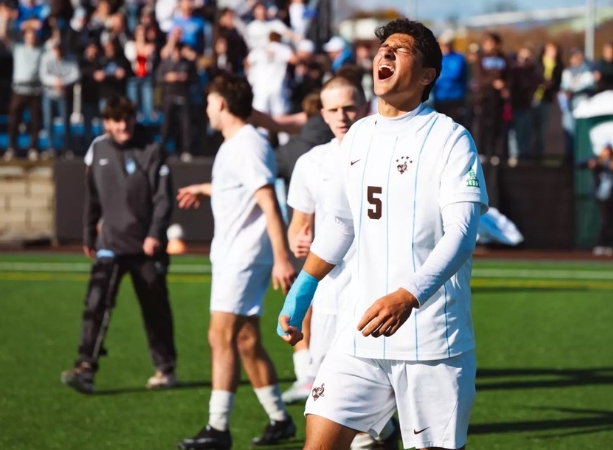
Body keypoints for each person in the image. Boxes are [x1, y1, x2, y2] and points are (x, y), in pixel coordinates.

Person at [277, 18, 488, 450]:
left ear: (427, 75)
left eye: (401, 49)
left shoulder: (451, 139)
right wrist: (303, 288)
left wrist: (408, 295)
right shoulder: (358, 135)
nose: (385, 54)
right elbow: (341, 223)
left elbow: (463, 233)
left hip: (432, 342)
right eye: (383, 48)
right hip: (361, 333)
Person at [176, 74, 297, 449]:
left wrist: (282, 258)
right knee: (245, 340)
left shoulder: (246, 143)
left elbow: (268, 201)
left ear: (222, 104)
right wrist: (204, 189)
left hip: (243, 257)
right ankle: (280, 419)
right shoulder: (238, 144)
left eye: (209, 102)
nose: (207, 109)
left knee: (220, 336)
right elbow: (241, 188)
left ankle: (217, 428)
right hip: (235, 254)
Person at [281, 75, 401, 450]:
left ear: (365, 106)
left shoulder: (391, 153)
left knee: (369, 407)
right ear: (322, 113)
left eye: (349, 107)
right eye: (333, 109)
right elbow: (299, 225)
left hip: (377, 293)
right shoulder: (311, 162)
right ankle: (384, 434)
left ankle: (382, 433)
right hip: (330, 296)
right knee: (330, 399)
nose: (342, 116)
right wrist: (298, 241)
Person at [61, 97, 177, 394]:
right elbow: (92, 197)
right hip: (110, 243)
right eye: (116, 120)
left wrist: (155, 234)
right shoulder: (98, 149)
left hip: (146, 247)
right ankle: (85, 367)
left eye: (127, 119)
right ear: (107, 123)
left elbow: (163, 199)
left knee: (155, 309)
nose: (123, 126)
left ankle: (165, 368)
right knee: (96, 303)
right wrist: (89, 233)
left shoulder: (152, 149)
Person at [1, 21, 44, 160]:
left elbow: (56, 41)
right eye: (28, 36)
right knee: (14, 120)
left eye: (33, 36)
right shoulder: (18, 49)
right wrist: (5, 19)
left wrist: (47, 24)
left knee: (35, 121)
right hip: (19, 90)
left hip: (35, 90)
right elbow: (3, 36)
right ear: (24, 37)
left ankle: (33, 148)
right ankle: (12, 147)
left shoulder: (41, 50)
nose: (31, 38)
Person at [39, 39, 80, 156]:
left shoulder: (70, 59)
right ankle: (50, 147)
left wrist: (63, 82)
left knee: (66, 122)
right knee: (48, 121)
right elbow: (43, 76)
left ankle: (67, 147)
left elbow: (76, 74)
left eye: (60, 49)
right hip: (49, 94)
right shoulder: (46, 58)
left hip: (64, 94)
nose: (58, 52)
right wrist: (55, 82)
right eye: (56, 49)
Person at [473, 32, 508, 163]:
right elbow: (479, 78)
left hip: (498, 99)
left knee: (496, 126)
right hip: (484, 97)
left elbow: (509, 76)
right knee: (483, 125)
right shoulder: (481, 58)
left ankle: (494, 153)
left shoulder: (503, 58)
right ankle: (481, 152)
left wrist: (505, 87)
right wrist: (493, 82)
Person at [157, 42, 195, 161]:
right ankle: (162, 148)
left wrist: (184, 77)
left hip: (183, 95)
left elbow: (193, 77)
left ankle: (186, 150)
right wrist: (167, 77)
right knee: (167, 123)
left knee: (185, 124)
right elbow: (158, 77)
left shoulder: (187, 64)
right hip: (169, 96)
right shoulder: (165, 63)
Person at [584, 144, 613, 256]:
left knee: (610, 222)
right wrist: (595, 163)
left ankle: (607, 245)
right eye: (605, 151)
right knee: (605, 221)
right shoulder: (599, 165)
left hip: (612, 198)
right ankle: (601, 244)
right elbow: (583, 163)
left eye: (609, 152)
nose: (607, 154)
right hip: (601, 198)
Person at [532, 42, 563, 159]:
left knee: (542, 129)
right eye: (550, 50)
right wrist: (541, 82)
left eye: (555, 50)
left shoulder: (559, 66)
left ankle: (539, 155)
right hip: (534, 98)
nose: (553, 52)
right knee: (532, 127)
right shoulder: (537, 63)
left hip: (547, 99)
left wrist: (552, 85)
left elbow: (559, 82)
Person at [433, 31, 467, 125]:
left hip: (456, 97)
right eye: (443, 44)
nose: (445, 47)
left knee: (455, 124)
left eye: (447, 44)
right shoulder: (436, 58)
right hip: (440, 97)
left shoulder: (458, 57)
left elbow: (455, 75)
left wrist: (440, 76)